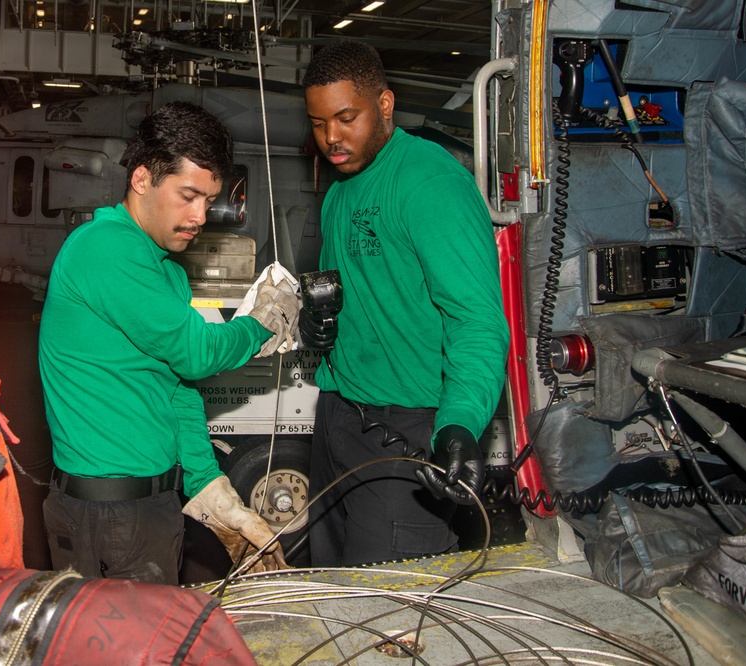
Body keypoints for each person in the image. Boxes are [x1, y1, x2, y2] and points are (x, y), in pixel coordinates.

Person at [39, 101, 298, 584]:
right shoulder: (107, 248)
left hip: (150, 506)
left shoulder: (166, 270)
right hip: (109, 514)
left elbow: (179, 390)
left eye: (209, 199)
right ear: (142, 180)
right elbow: (197, 353)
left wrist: (207, 487)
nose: (201, 215)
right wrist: (262, 324)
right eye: (188, 195)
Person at [301, 40, 510, 567]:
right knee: (324, 595)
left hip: (409, 435)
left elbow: (478, 321)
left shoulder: (431, 184)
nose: (331, 138)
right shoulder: (339, 193)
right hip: (336, 418)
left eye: (346, 118)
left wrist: (460, 423)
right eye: (319, 122)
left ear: (386, 105)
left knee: (384, 621)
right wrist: (318, 324)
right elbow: (345, 287)